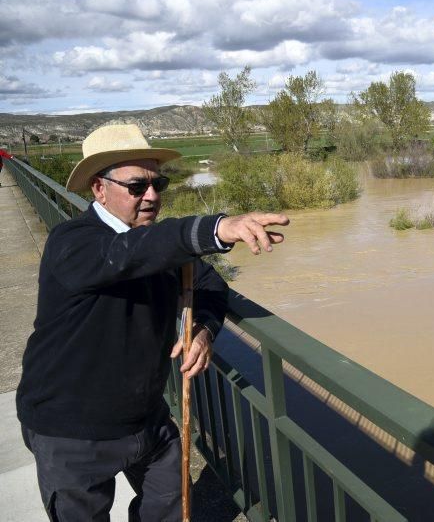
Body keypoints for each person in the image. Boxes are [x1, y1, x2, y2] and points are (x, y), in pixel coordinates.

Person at [15, 124, 289, 521]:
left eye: (158, 183)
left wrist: (204, 330)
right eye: (137, 186)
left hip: (146, 419)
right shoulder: (73, 242)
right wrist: (216, 228)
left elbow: (210, 285)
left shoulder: (154, 245)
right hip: (71, 428)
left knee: (170, 507)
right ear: (98, 188)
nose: (152, 196)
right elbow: (130, 254)